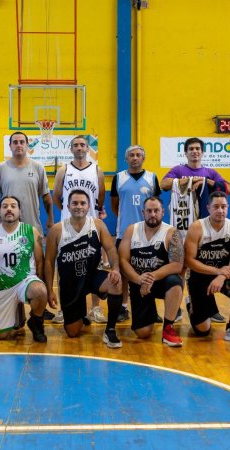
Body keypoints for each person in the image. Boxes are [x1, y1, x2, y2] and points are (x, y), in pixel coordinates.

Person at [161, 137, 230, 323]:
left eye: (197, 149)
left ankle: (207, 307)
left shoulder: (209, 172)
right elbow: (164, 184)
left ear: (202, 152)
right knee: (180, 268)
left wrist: (205, 181)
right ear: (185, 152)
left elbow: (228, 189)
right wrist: (188, 181)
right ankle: (176, 308)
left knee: (204, 268)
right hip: (183, 226)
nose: (194, 151)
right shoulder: (178, 170)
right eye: (191, 149)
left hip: (204, 229)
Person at [0, 132, 55, 321]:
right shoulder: (1, 168)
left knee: (38, 266)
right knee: (12, 268)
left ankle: (39, 308)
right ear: (10, 146)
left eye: (22, 142)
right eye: (15, 142)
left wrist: (50, 218)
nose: (18, 145)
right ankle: (16, 311)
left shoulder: (38, 167)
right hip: (8, 228)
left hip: (33, 226)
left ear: (27, 145)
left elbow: (46, 197)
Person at [44, 189, 123, 348]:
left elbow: (111, 249)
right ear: (68, 206)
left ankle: (110, 330)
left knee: (116, 282)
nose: (79, 206)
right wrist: (50, 290)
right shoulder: (57, 230)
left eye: (82, 203)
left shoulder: (97, 225)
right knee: (73, 332)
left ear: (88, 206)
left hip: (93, 277)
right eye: (75, 203)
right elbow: (49, 262)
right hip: (70, 284)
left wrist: (115, 269)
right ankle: (80, 315)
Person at [52, 135, 107, 323]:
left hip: (90, 224)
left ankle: (95, 308)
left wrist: (93, 213)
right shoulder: (63, 170)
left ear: (87, 148)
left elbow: (100, 196)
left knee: (95, 265)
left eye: (83, 145)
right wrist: (67, 213)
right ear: (71, 149)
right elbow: (56, 196)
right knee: (64, 269)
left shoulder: (97, 170)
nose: (79, 148)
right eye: (75, 145)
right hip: (68, 225)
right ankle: (63, 309)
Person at [0, 196, 48, 343]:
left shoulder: (31, 231)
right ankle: (18, 314)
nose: (9, 209)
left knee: (40, 291)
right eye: (4, 206)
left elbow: (40, 262)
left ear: (20, 212)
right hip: (2, 287)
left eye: (13, 206)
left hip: (25, 282)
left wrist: (43, 286)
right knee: (1, 337)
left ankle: (36, 322)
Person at [184, 192, 230, 345]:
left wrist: (222, 276)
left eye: (224, 207)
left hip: (223, 275)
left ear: (228, 207)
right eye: (216, 207)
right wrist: (217, 271)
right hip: (199, 276)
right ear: (208, 208)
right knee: (202, 331)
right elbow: (189, 260)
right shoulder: (197, 227)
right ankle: (191, 303)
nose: (220, 210)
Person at [118, 197, 183, 347]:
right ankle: (151, 313)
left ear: (163, 212)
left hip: (160, 282)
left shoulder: (172, 233)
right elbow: (123, 260)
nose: (153, 214)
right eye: (149, 211)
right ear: (143, 212)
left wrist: (151, 277)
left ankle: (168, 329)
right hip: (138, 282)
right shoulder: (131, 230)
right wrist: (138, 279)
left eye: (156, 211)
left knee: (175, 281)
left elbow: (177, 265)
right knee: (143, 333)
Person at [110, 145, 161, 322]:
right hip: (124, 233)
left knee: (149, 271)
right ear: (126, 159)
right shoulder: (119, 178)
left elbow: (156, 205)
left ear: (143, 158)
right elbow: (114, 204)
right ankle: (124, 307)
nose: (135, 158)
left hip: (148, 234)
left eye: (138, 155)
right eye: (131, 155)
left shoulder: (152, 177)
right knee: (124, 273)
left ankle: (150, 310)